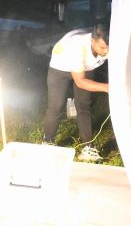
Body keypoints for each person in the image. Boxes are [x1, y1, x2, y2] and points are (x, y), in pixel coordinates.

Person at [41, 24, 109, 161]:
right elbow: (80, 82)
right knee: (56, 105)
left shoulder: (108, 45)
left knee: (83, 105)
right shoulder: (76, 47)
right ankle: (47, 141)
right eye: (102, 48)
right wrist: (107, 87)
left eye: (108, 47)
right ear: (92, 41)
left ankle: (87, 147)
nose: (106, 51)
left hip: (86, 66)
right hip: (60, 66)